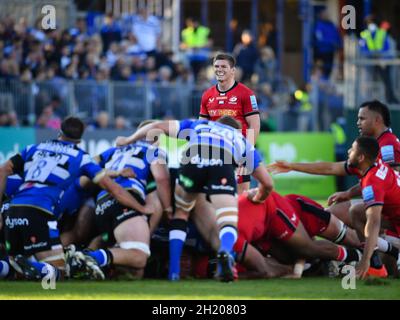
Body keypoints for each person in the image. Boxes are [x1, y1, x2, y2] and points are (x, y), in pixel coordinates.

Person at [116, 116, 274, 282]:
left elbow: (156, 126)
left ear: (216, 123)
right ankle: (225, 252)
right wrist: (259, 196)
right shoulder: (241, 140)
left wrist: (129, 139)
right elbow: (268, 184)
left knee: (181, 213)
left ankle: (174, 272)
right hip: (223, 161)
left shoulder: (200, 124)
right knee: (227, 221)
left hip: (193, 158)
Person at [0, 116, 151, 281]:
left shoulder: (32, 148)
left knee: (16, 272)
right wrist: (141, 207)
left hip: (13, 209)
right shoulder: (81, 158)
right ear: (80, 139)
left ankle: (13, 265)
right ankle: (35, 266)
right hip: (40, 211)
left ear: (59, 131)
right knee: (60, 273)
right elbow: (114, 189)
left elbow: (2, 171)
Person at [268, 136, 400, 278]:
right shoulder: (369, 165)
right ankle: (377, 265)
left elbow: (374, 222)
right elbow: (329, 167)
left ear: (361, 157)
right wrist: (292, 166)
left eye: (352, 149)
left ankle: (369, 261)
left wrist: (364, 261)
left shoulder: (372, 182)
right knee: (356, 212)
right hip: (394, 217)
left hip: (394, 220)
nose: (349, 151)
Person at [67, 128, 171, 280]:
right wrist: (168, 209)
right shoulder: (154, 151)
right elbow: (161, 179)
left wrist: (112, 173)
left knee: (134, 271)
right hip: (126, 198)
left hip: (101, 204)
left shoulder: (112, 151)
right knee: (139, 256)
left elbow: (84, 173)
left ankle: (83, 264)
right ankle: (84, 258)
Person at [234, 190, 362, 279]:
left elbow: (332, 168)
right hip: (266, 224)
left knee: (309, 248)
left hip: (290, 210)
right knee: (292, 256)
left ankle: (363, 254)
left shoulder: (232, 237)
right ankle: (333, 261)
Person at [327, 100, 400, 227]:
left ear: (377, 120)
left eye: (362, 119)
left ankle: (384, 244)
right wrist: (293, 166)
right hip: (384, 204)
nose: (358, 123)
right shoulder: (377, 143)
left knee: (338, 215)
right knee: (332, 214)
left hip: (392, 210)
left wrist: (349, 193)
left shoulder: (387, 145)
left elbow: (389, 181)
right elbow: (331, 168)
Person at [199, 52, 261, 193]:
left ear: (233, 70)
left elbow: (255, 125)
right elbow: (201, 126)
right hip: (215, 153)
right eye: (216, 66)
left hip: (238, 153)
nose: (219, 69)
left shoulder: (246, 94)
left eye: (223, 66)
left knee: (240, 197)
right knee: (213, 195)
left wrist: (246, 154)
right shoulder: (207, 95)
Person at [359, 16, 399, 104]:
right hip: (369, 62)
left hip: (382, 62)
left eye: (372, 23)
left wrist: (383, 59)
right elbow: (362, 49)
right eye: (369, 23)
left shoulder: (382, 33)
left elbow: (387, 49)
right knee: (368, 81)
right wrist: (371, 55)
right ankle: (367, 100)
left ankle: (390, 99)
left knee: (386, 81)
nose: (371, 25)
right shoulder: (365, 34)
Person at [313, 8, 342, 79]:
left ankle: (325, 82)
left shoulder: (332, 25)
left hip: (330, 51)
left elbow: (337, 36)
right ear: (321, 15)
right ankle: (318, 83)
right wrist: (330, 43)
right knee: (320, 68)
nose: (326, 16)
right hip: (320, 51)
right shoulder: (319, 25)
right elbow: (319, 38)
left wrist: (339, 45)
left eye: (327, 14)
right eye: (324, 14)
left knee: (328, 69)